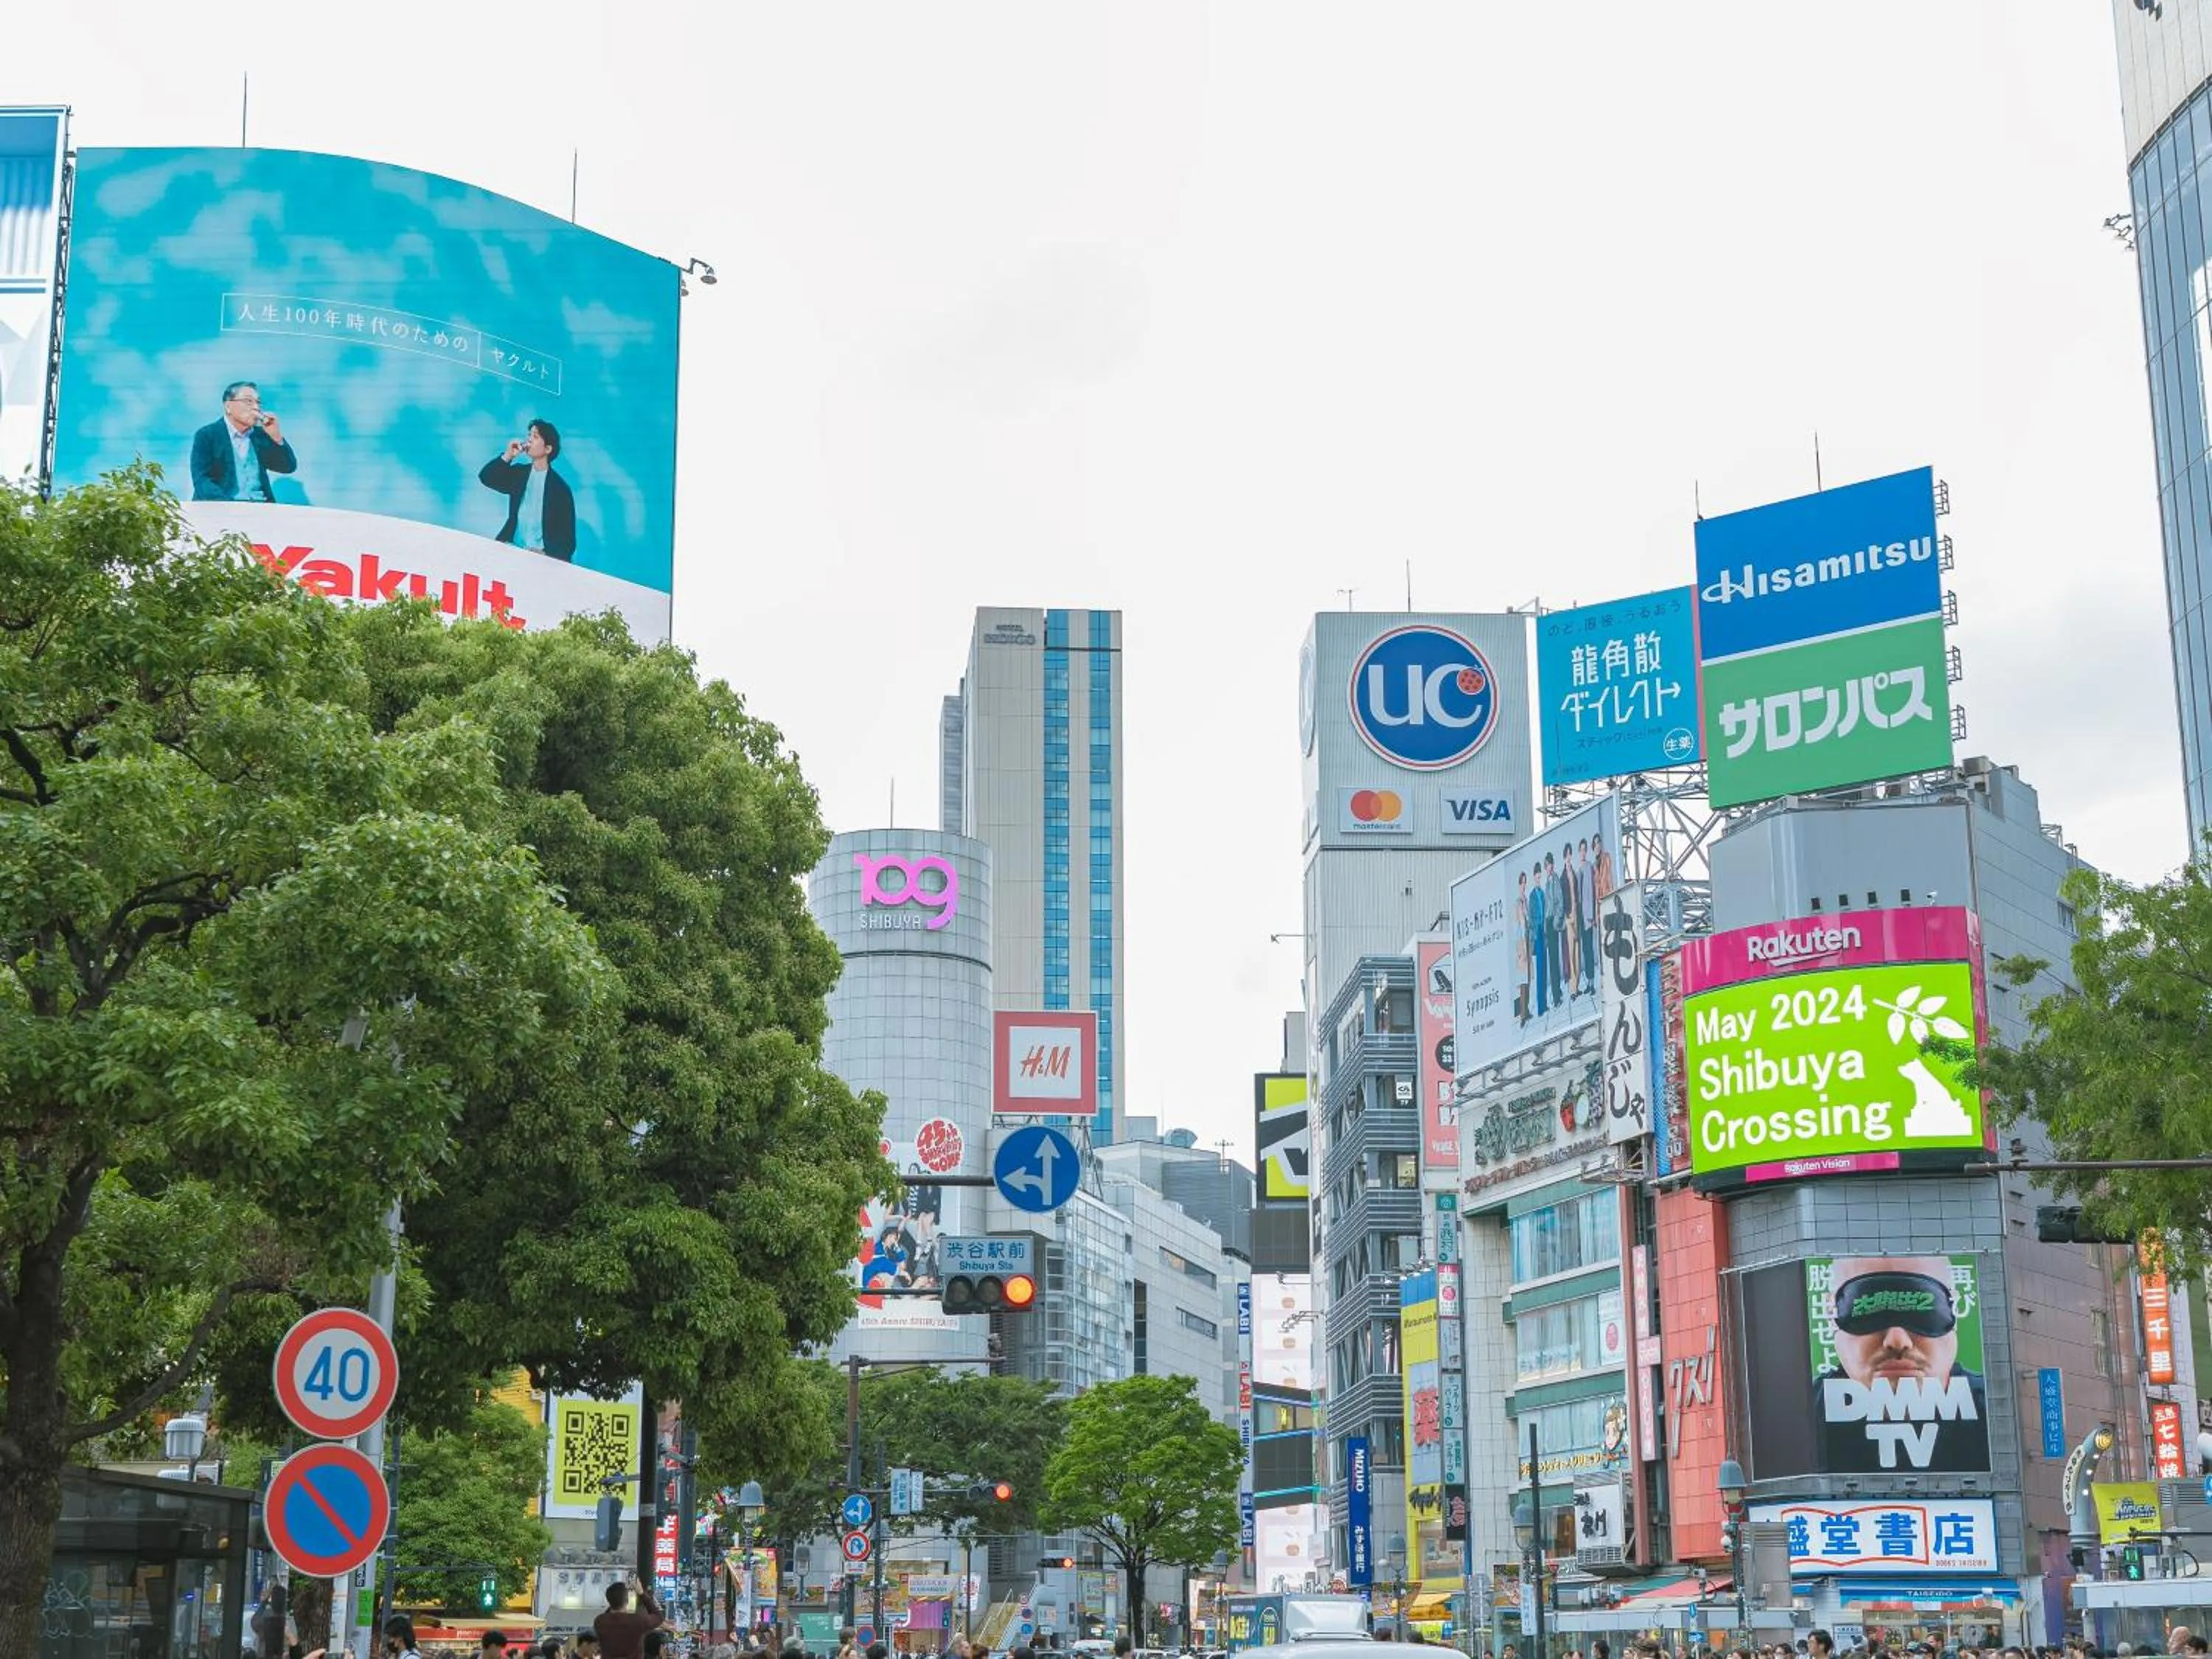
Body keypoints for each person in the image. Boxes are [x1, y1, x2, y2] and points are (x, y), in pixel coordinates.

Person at [1814, 1254, 1990, 1472]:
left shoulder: (1996, 1413)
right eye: (1869, 1311)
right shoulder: (1794, 1418)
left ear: (1955, 1310)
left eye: (1922, 1310)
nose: (1897, 1342)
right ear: (1830, 1314)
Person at [479, 419, 577, 561]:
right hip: (512, 551)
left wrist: (546, 555)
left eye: (535, 437)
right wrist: (508, 456)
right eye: (529, 435)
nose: (529, 440)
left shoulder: (560, 489)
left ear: (548, 449)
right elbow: (486, 478)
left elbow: (568, 540)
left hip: (542, 562)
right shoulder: (519, 474)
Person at [190, 380, 298, 502]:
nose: (256, 408)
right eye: (248, 401)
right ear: (228, 407)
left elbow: (287, 467)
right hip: (221, 508)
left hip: (260, 508)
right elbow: (201, 480)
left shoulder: (260, 435)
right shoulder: (207, 435)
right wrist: (227, 508)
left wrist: (276, 437)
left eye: (258, 402)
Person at [593, 1581, 666, 1659]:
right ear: (627, 1601)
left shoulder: (600, 1621)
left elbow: (608, 1614)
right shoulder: (637, 1621)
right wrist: (641, 1593)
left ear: (609, 1601)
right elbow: (658, 1617)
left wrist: (613, 1602)